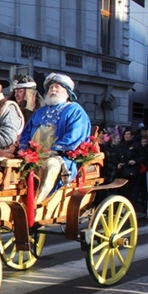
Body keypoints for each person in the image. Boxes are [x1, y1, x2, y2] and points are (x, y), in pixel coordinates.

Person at [18, 73, 92, 203]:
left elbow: (75, 135)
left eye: (57, 87)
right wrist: (23, 149)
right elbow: (26, 132)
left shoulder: (75, 110)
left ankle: (38, 201)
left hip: (61, 157)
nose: (53, 90)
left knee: (51, 165)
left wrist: (53, 150)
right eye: (51, 87)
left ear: (67, 92)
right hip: (33, 155)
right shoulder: (41, 111)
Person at [116, 128, 143, 203]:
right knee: (121, 190)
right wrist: (118, 163)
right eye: (125, 134)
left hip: (132, 171)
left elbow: (142, 156)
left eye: (128, 134)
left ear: (132, 136)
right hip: (121, 171)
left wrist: (135, 161)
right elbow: (116, 156)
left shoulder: (136, 145)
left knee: (131, 191)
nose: (126, 136)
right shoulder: (121, 145)